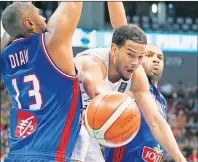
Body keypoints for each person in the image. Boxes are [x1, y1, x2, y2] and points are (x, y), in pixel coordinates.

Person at [72, 2, 186, 162]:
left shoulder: (136, 74)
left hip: (83, 126)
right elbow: (96, 87)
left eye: (140, 57)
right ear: (114, 50)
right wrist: (117, 110)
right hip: (59, 117)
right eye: (131, 55)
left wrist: (181, 159)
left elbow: (156, 122)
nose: (135, 62)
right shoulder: (95, 63)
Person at [1, 2, 83, 162]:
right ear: (29, 23)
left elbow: (11, 27)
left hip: (15, 155)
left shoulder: (4, 59)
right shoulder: (52, 43)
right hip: (48, 155)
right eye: (39, 14)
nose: (44, 17)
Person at [104, 44, 168, 162]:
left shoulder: (162, 100)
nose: (156, 60)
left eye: (160, 58)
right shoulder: (130, 87)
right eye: (149, 55)